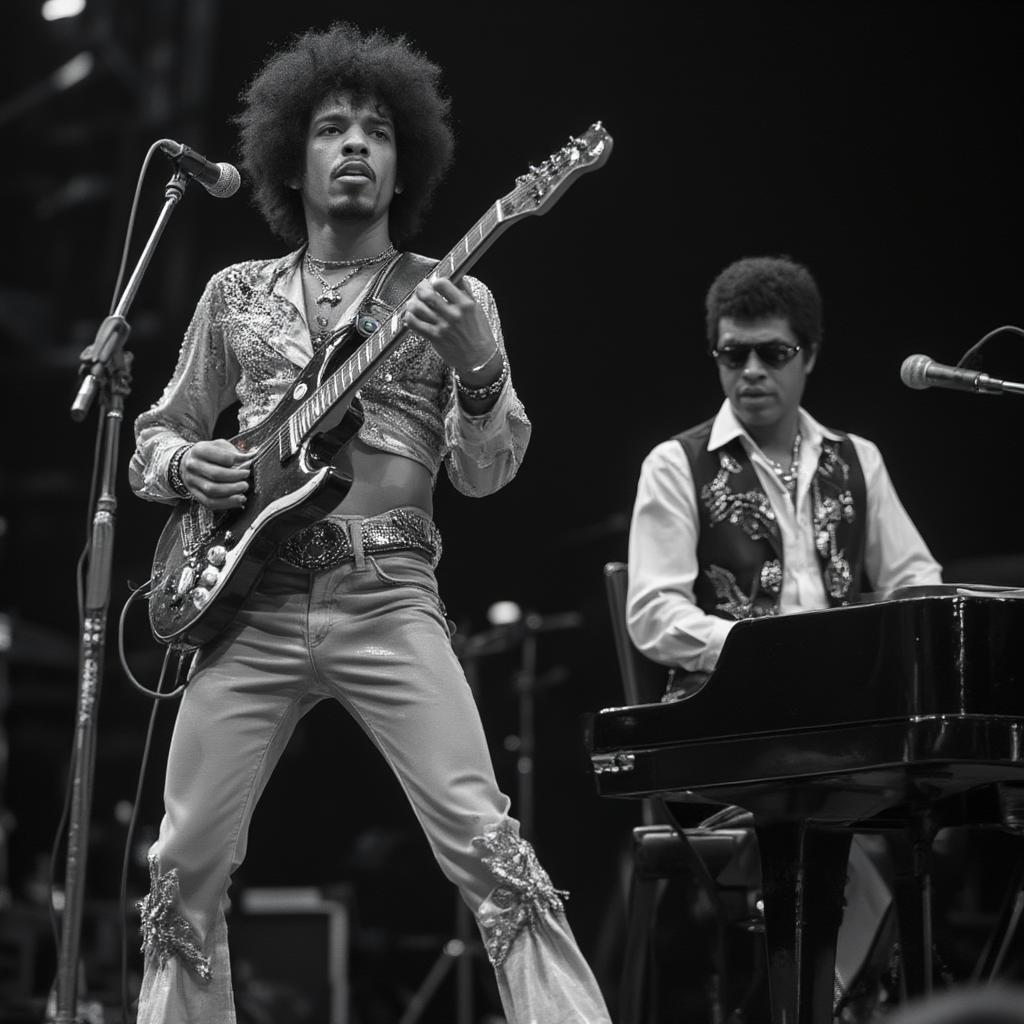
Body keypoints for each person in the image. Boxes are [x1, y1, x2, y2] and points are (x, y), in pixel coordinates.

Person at [128, 22, 611, 1024]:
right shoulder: (232, 296)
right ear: (288, 159)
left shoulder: (449, 295)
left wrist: (480, 370)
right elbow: (154, 433)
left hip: (386, 593)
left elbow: (487, 473)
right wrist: (191, 460)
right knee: (181, 863)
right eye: (333, 129)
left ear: (404, 166)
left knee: (487, 844)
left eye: (378, 132)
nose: (356, 144)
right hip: (243, 601)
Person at [625, 254, 943, 1012]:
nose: (752, 371)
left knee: (920, 807)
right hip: (726, 736)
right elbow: (654, 614)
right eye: (733, 354)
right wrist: (768, 657)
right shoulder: (678, 464)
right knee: (850, 815)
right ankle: (830, 999)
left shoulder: (857, 460)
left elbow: (918, 583)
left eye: (774, 353)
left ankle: (817, 997)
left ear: (810, 355)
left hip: (841, 739)